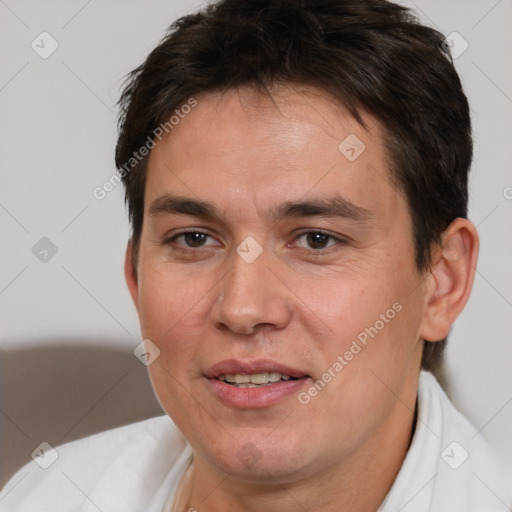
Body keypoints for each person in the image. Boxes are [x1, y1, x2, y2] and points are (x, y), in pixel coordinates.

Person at [1, 0, 511, 510]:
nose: (242, 309)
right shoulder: (47, 496)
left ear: (442, 282)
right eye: (194, 239)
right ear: (135, 277)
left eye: (316, 239)